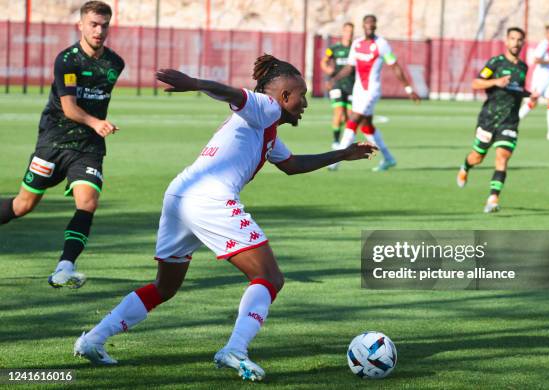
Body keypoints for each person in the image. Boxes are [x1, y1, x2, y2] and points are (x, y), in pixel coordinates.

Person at [73, 55, 377, 381]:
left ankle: (93, 339)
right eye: (301, 94)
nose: (305, 102)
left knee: (164, 286)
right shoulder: (267, 107)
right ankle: (235, 350)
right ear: (285, 95)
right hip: (209, 199)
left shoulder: (267, 129)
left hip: (180, 195)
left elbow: (291, 165)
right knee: (270, 278)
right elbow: (235, 94)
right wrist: (197, 84)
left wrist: (343, 153)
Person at [0, 1, 123, 288]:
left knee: (88, 203)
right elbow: (69, 108)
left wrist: (94, 128)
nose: (99, 30)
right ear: (81, 25)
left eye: (104, 25)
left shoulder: (115, 64)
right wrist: (96, 122)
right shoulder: (67, 60)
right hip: (53, 142)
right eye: (93, 24)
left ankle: (65, 267)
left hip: (88, 148)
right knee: (23, 205)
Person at [327, 14, 419, 172]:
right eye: (367, 24)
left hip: (372, 90)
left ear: (375, 26)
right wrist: (334, 79)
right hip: (358, 90)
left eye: (372, 25)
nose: (370, 27)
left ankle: (336, 161)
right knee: (366, 126)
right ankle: (389, 159)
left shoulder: (382, 44)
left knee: (353, 119)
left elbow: (395, 66)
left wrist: (408, 88)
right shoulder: (356, 44)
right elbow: (350, 67)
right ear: (363, 26)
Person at [456, 27, 530, 213]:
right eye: (512, 38)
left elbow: (518, 90)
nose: (515, 42)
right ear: (506, 41)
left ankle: (493, 199)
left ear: (522, 42)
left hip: (510, 121)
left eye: (519, 39)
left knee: (502, 157)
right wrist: (495, 82)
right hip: (489, 118)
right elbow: (476, 83)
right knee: (477, 157)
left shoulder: (523, 67)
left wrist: (531, 95)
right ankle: (466, 166)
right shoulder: (495, 63)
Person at [518, 24, 549, 140]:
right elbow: (536, 59)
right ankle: (513, 121)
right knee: (533, 102)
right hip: (541, 77)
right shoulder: (543, 44)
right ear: (546, 34)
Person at [320, 22, 355, 150]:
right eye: (347, 31)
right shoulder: (334, 48)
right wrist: (328, 70)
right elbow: (323, 62)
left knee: (349, 116)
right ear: (343, 32)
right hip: (337, 84)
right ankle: (335, 142)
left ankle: (347, 141)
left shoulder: (355, 48)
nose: (349, 34)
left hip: (352, 85)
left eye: (351, 31)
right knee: (339, 112)